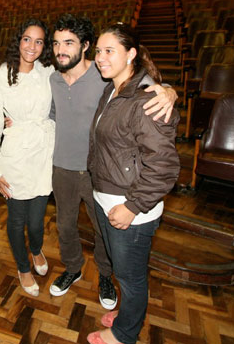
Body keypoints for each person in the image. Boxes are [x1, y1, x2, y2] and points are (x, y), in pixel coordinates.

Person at [48, 14, 177, 309]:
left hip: (98, 171)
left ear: (85, 46)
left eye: (68, 42)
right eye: (56, 43)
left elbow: (145, 84)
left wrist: (169, 90)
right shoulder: (52, 77)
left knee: (103, 231)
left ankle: (106, 275)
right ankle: (73, 268)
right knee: (65, 226)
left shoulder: (104, 72)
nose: (60, 49)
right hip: (62, 167)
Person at [86, 24, 180, 344]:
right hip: (108, 196)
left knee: (131, 278)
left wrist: (132, 207)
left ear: (131, 54)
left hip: (130, 206)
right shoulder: (113, 88)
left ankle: (125, 334)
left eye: (109, 51)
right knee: (122, 271)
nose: (100, 57)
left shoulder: (146, 98)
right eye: (98, 51)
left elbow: (164, 167)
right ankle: (128, 314)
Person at [0, 19, 55, 297]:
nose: (32, 46)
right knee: (16, 219)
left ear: (44, 46)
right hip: (14, 155)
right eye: (27, 39)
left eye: (38, 41)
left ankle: (36, 249)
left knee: (37, 221)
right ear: (18, 41)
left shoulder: (48, 72)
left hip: (43, 153)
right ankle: (23, 267)